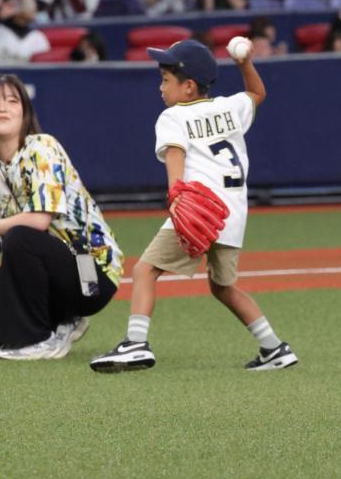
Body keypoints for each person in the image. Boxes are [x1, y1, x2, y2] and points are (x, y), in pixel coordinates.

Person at [89, 40, 298, 372]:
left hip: (198, 206)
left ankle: (136, 343)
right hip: (232, 215)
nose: (160, 87)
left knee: (145, 270)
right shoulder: (229, 108)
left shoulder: (172, 116)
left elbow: (176, 154)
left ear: (187, 87)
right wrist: (245, 63)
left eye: (166, 80)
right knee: (223, 287)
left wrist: (175, 196)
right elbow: (257, 93)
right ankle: (274, 348)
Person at [0, 74, 123, 360]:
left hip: (91, 274)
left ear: (25, 114)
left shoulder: (42, 147)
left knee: (20, 236)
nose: (2, 107)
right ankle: (53, 326)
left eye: (12, 101)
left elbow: (39, 221)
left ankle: (37, 339)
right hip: (45, 274)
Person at [0, 0, 51, 64]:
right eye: (25, 3)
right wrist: (2, 16)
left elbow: (44, 70)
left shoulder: (38, 37)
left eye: (33, 5)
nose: (32, 7)